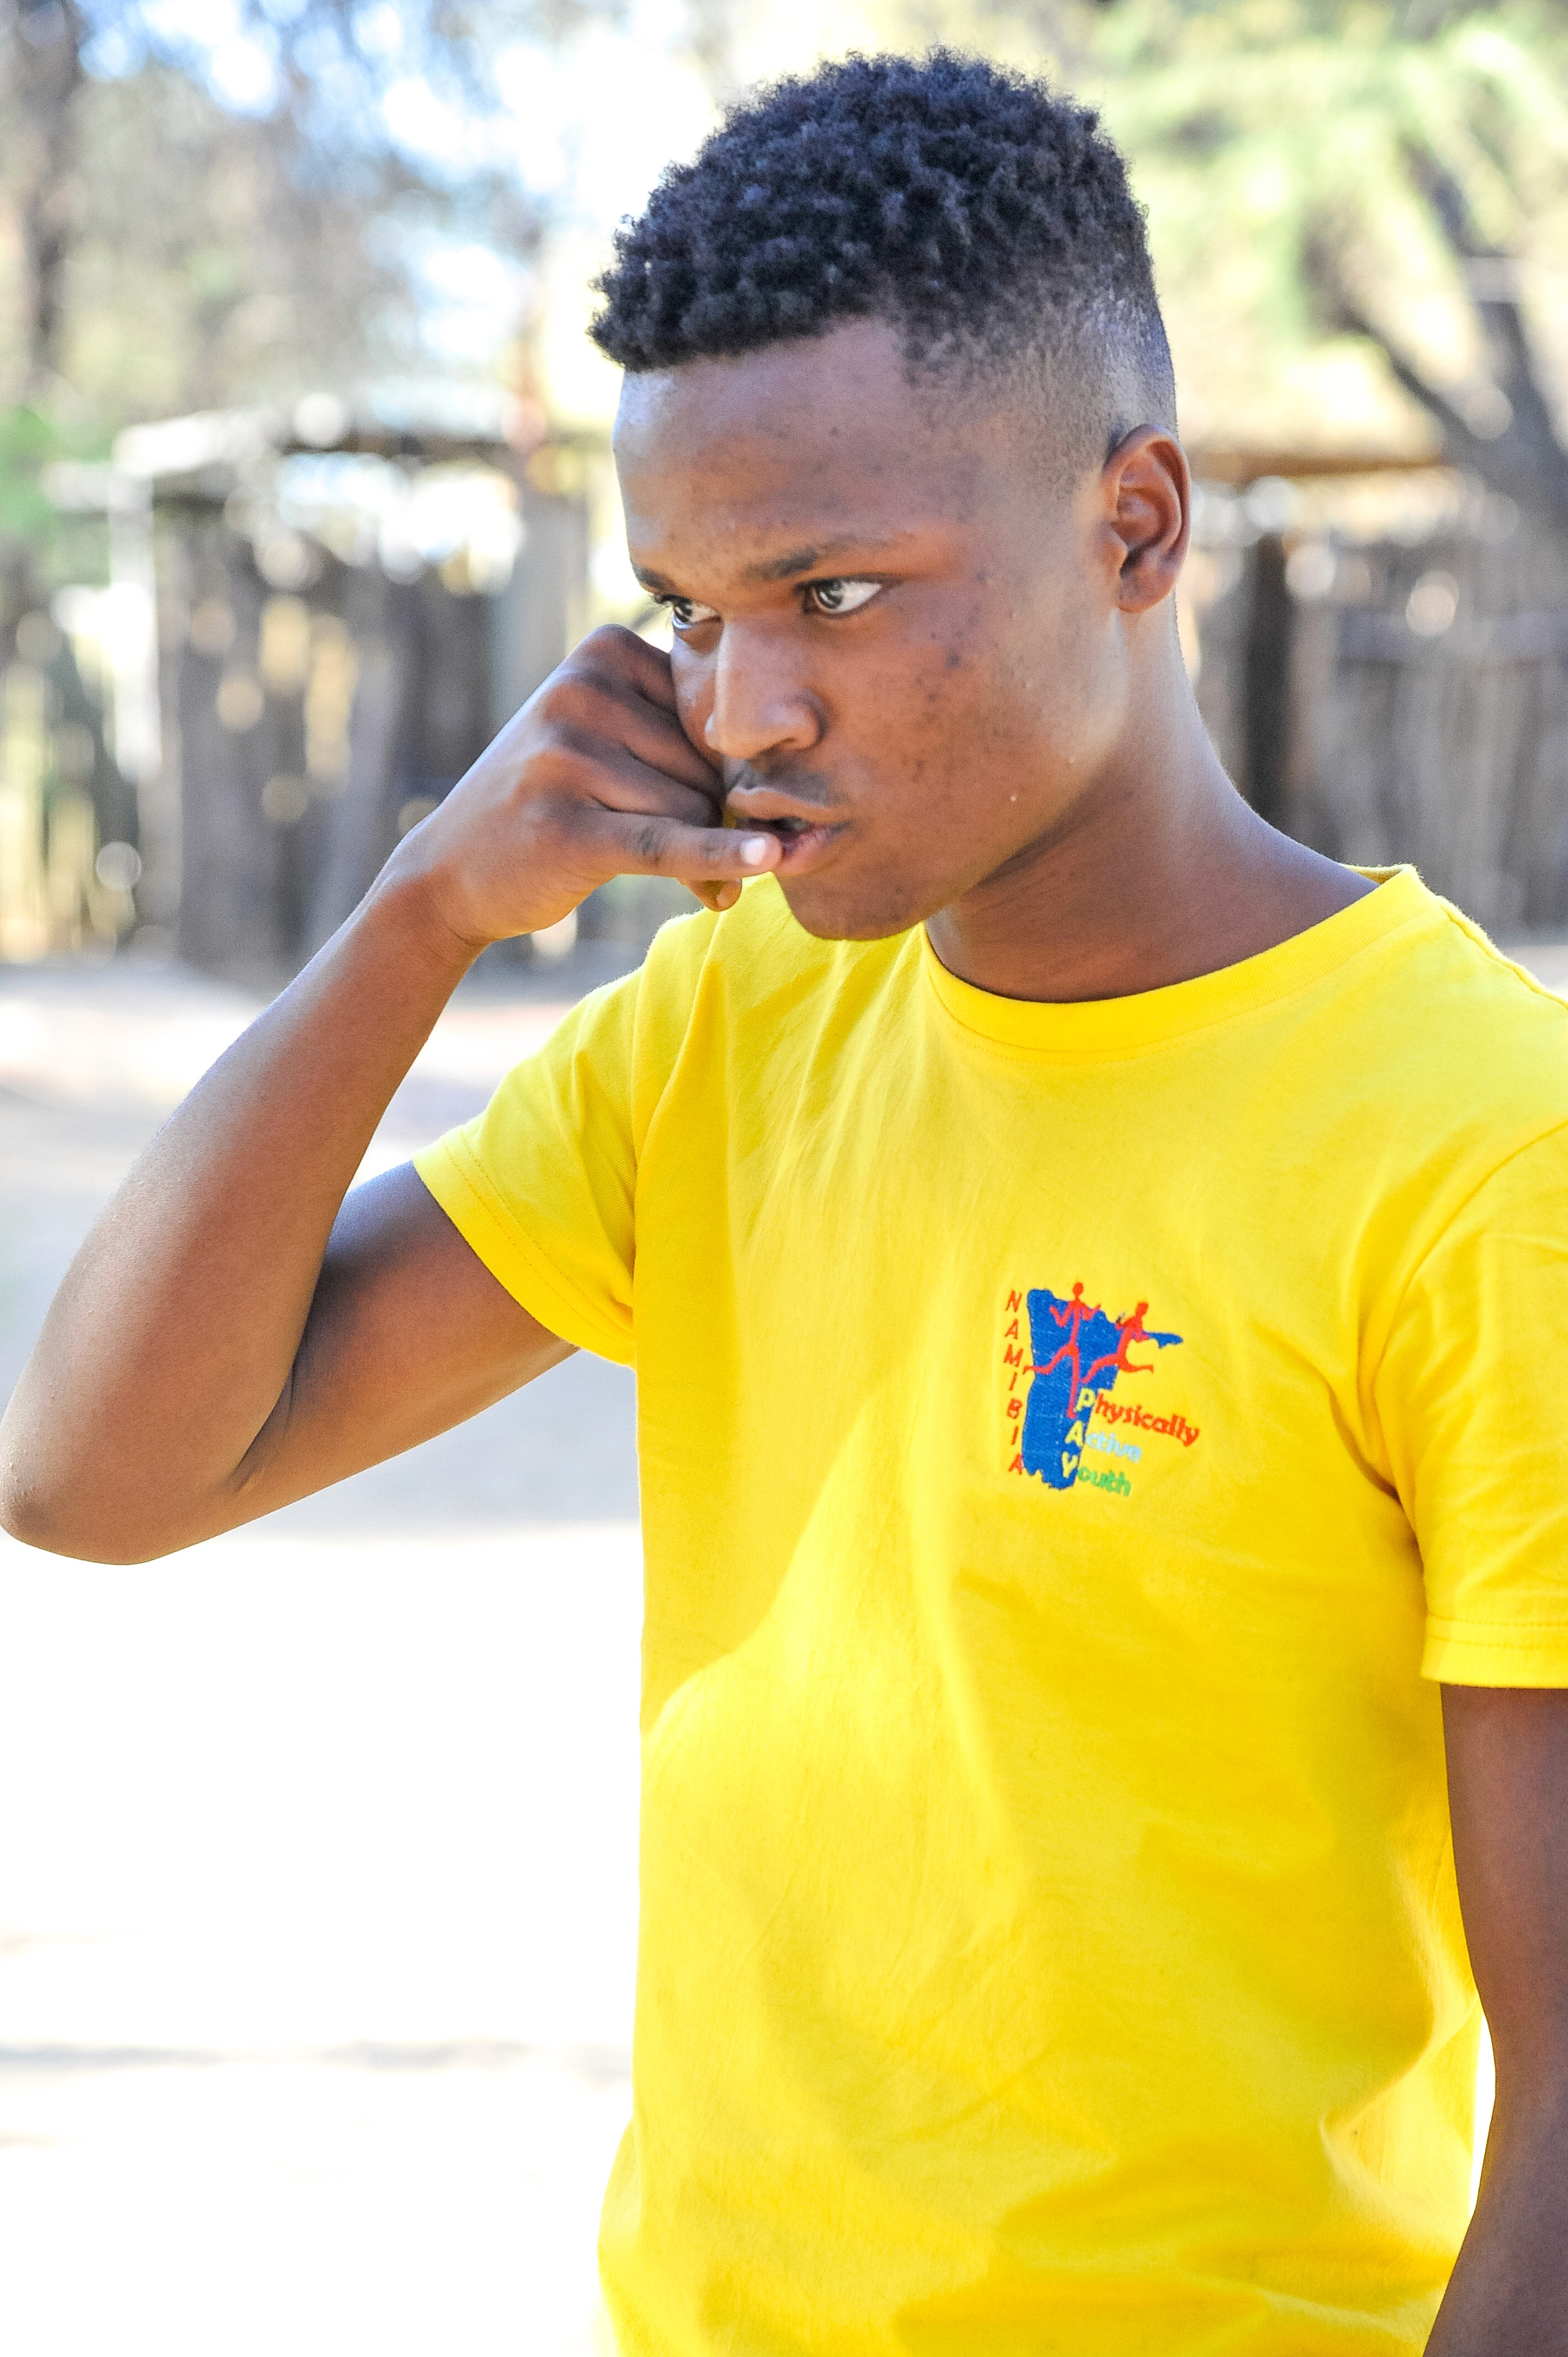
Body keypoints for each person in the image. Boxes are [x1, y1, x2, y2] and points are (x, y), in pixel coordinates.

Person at [3, 48, 1567, 2356]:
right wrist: (421, 917)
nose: (740, 707)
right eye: (686, 607)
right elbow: (99, 1471)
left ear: (1138, 528)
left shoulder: (1475, 1147)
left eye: (833, 591)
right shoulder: (730, 1030)